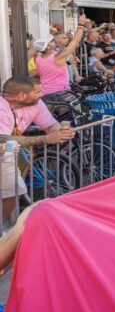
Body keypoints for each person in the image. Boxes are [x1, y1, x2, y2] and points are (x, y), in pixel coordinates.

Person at [0, 77, 74, 219]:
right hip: (5, 149)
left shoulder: (36, 103)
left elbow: (50, 124)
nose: (42, 94)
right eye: (37, 92)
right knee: (13, 189)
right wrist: (45, 139)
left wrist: (60, 131)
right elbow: (3, 139)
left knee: (14, 190)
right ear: (22, 95)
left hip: (9, 150)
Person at [34, 15, 87, 96]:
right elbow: (75, 41)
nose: (53, 41)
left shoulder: (38, 58)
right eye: (51, 41)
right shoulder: (58, 57)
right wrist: (81, 24)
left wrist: (68, 63)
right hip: (61, 93)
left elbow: (51, 68)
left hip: (45, 93)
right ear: (48, 47)